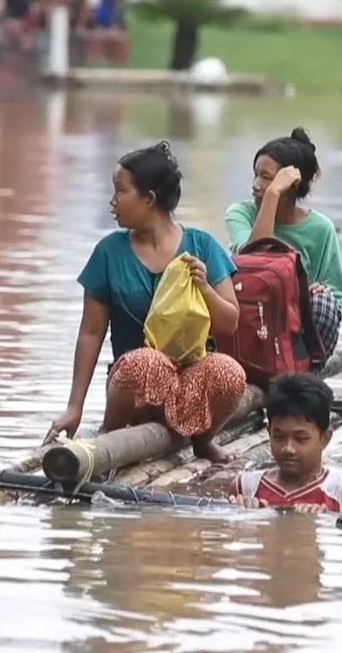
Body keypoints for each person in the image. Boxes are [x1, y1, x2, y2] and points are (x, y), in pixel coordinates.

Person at [46, 142, 248, 463]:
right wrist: (75, 407)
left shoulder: (203, 246)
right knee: (148, 363)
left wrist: (204, 288)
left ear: (149, 200)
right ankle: (112, 433)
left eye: (120, 192)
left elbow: (229, 322)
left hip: (191, 380)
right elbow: (91, 333)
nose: (112, 202)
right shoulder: (109, 252)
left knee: (229, 371)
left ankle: (202, 440)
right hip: (135, 382)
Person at [224, 128, 342, 361]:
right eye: (256, 174)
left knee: (323, 302)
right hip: (253, 314)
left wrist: (318, 289)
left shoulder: (321, 229)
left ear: (291, 185)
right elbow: (254, 258)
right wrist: (271, 196)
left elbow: (336, 296)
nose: (256, 184)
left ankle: (304, 370)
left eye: (267, 178)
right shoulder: (240, 213)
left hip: (298, 329)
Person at [229, 373, 342, 513]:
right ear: (269, 432)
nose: (288, 449)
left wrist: (324, 523)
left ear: (325, 439)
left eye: (301, 439)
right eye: (279, 437)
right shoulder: (245, 488)